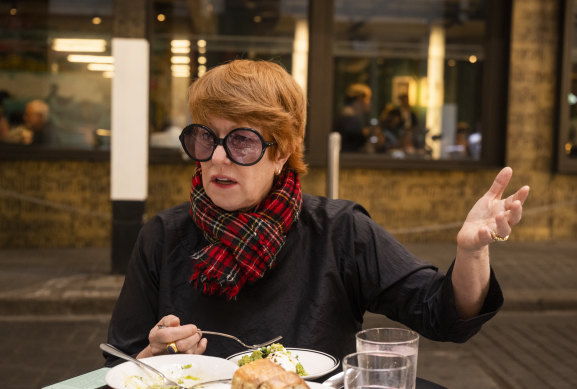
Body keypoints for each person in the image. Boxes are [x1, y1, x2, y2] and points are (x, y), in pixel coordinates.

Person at [105, 60, 530, 371]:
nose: (217, 158)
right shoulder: (163, 236)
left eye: (243, 141)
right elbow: (118, 360)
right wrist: (149, 360)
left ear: (282, 152)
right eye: (205, 138)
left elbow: (443, 315)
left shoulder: (339, 231)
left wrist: (472, 253)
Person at [333, 83, 372, 152]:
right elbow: (355, 142)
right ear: (360, 98)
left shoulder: (349, 115)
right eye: (368, 98)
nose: (369, 102)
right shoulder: (349, 117)